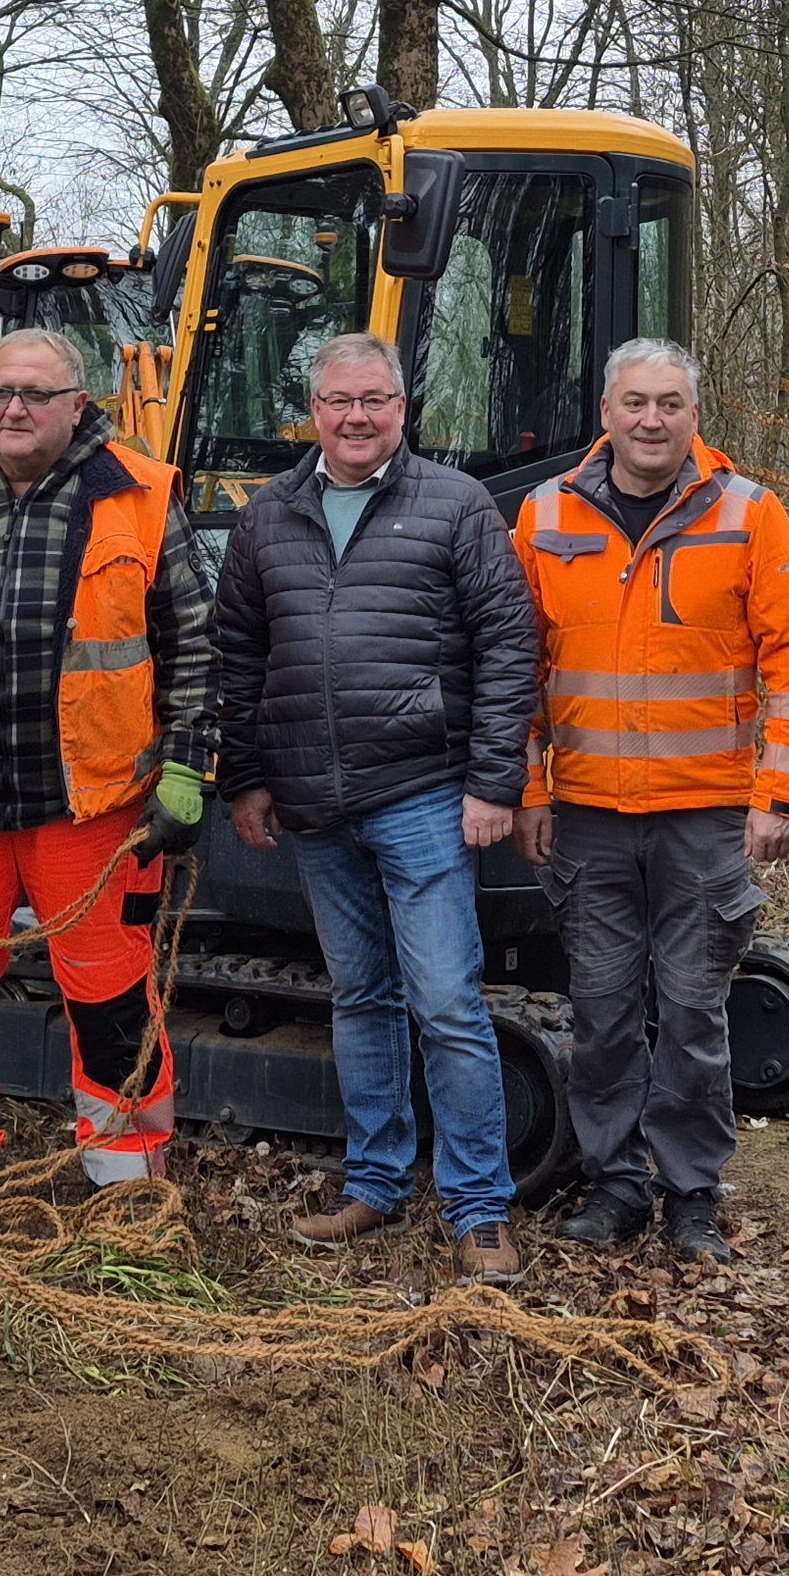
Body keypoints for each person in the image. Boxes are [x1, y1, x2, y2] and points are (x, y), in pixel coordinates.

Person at [209, 331, 541, 1281]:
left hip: (426, 797)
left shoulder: (456, 505)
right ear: (312, 412)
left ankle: (480, 1209)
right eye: (338, 401)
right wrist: (248, 777)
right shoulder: (269, 514)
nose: (357, 417)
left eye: (375, 401)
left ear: (403, 409)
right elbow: (239, 655)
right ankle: (377, 1185)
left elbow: (507, 645)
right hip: (316, 806)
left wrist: (492, 784)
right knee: (361, 997)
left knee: (444, 1001)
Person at [0, 327, 210, 1194]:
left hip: (92, 811)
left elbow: (198, 649)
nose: (12, 409)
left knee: (111, 1002)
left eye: (35, 394)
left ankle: (127, 1185)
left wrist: (186, 770)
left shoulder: (139, 494)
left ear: (79, 406)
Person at [513, 340, 789, 1263]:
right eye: (635, 402)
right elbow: (518, 662)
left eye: (671, 404)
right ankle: (616, 1185)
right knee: (602, 1013)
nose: (652, 420)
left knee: (693, 1012)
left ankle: (691, 1193)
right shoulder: (545, 513)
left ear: (695, 415)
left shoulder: (749, 513)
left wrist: (777, 792)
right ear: (606, 411)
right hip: (591, 816)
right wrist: (531, 785)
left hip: (706, 814)